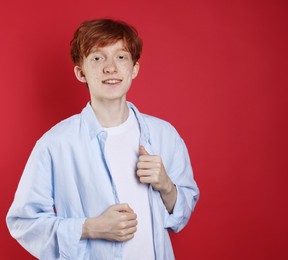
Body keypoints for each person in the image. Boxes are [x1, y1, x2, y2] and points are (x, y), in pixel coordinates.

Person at [6, 18, 199, 260]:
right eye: (97, 58)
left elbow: (182, 214)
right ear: (81, 72)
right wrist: (90, 228)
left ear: (134, 68)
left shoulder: (165, 135)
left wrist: (166, 185)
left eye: (121, 57)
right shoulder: (55, 144)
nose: (111, 68)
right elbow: (23, 222)